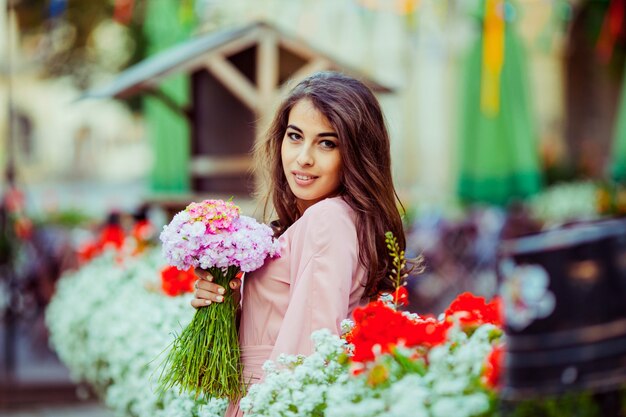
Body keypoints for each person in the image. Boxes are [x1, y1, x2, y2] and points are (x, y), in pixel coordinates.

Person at [191, 71, 407, 416]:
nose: (303, 157)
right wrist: (225, 301)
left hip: (274, 400)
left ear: (356, 153)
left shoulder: (328, 221)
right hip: (257, 394)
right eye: (295, 136)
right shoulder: (323, 221)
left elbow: (306, 351)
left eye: (327, 143)